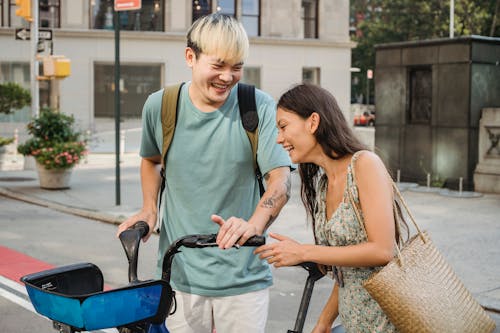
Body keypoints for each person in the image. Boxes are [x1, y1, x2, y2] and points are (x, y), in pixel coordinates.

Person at [117, 13, 291, 333]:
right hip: (179, 276)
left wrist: (253, 225)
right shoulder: (162, 106)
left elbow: (280, 179)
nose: (228, 76)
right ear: (190, 57)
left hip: (244, 280)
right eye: (219, 65)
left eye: (237, 67)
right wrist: (149, 208)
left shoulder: (258, 106)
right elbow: (152, 160)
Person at [255, 84, 407, 333]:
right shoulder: (323, 185)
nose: (279, 138)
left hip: (387, 324)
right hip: (353, 324)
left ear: (312, 122)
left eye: (283, 127)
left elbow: (382, 250)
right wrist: (324, 321)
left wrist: (304, 252)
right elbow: (349, 269)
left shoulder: (364, 165)